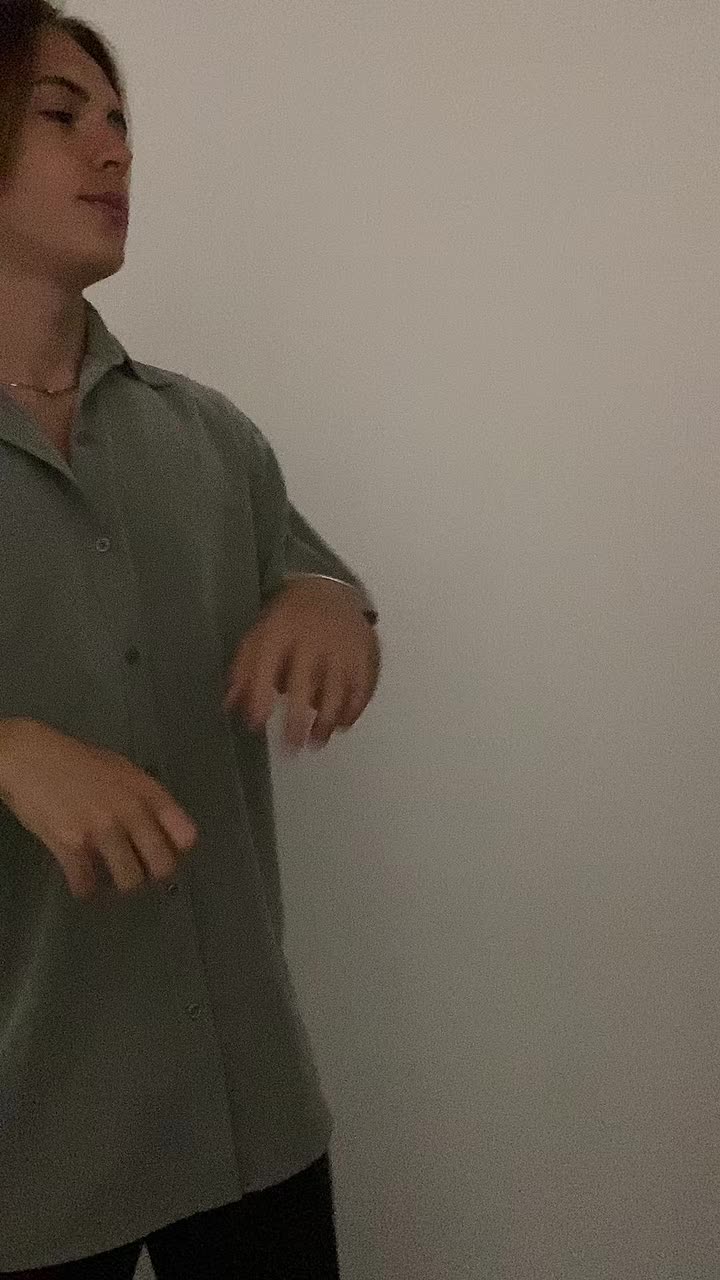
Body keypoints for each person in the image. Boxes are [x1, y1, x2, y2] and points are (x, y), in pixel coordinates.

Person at [0, 3, 382, 1276]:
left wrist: (328, 600)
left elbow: (317, 577)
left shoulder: (209, 434)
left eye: (121, 122)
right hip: (27, 1142)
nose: (113, 150)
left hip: (247, 1114)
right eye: (63, 115)